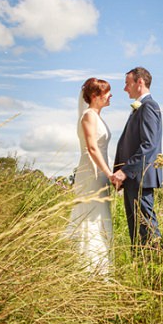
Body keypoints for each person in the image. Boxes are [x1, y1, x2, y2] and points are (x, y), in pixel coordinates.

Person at [66, 77, 115, 275]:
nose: (111, 95)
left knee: (101, 215)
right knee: (91, 216)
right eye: (107, 92)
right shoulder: (88, 116)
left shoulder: (97, 116)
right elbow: (92, 148)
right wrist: (109, 173)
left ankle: (101, 267)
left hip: (100, 173)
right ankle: (89, 267)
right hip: (91, 172)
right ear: (95, 96)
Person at [111, 67, 163, 250]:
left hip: (141, 178)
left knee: (147, 228)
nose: (125, 88)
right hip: (134, 178)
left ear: (139, 82)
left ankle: (156, 269)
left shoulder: (149, 106)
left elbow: (148, 145)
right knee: (136, 230)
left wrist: (124, 172)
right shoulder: (141, 107)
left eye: (127, 83)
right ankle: (141, 270)